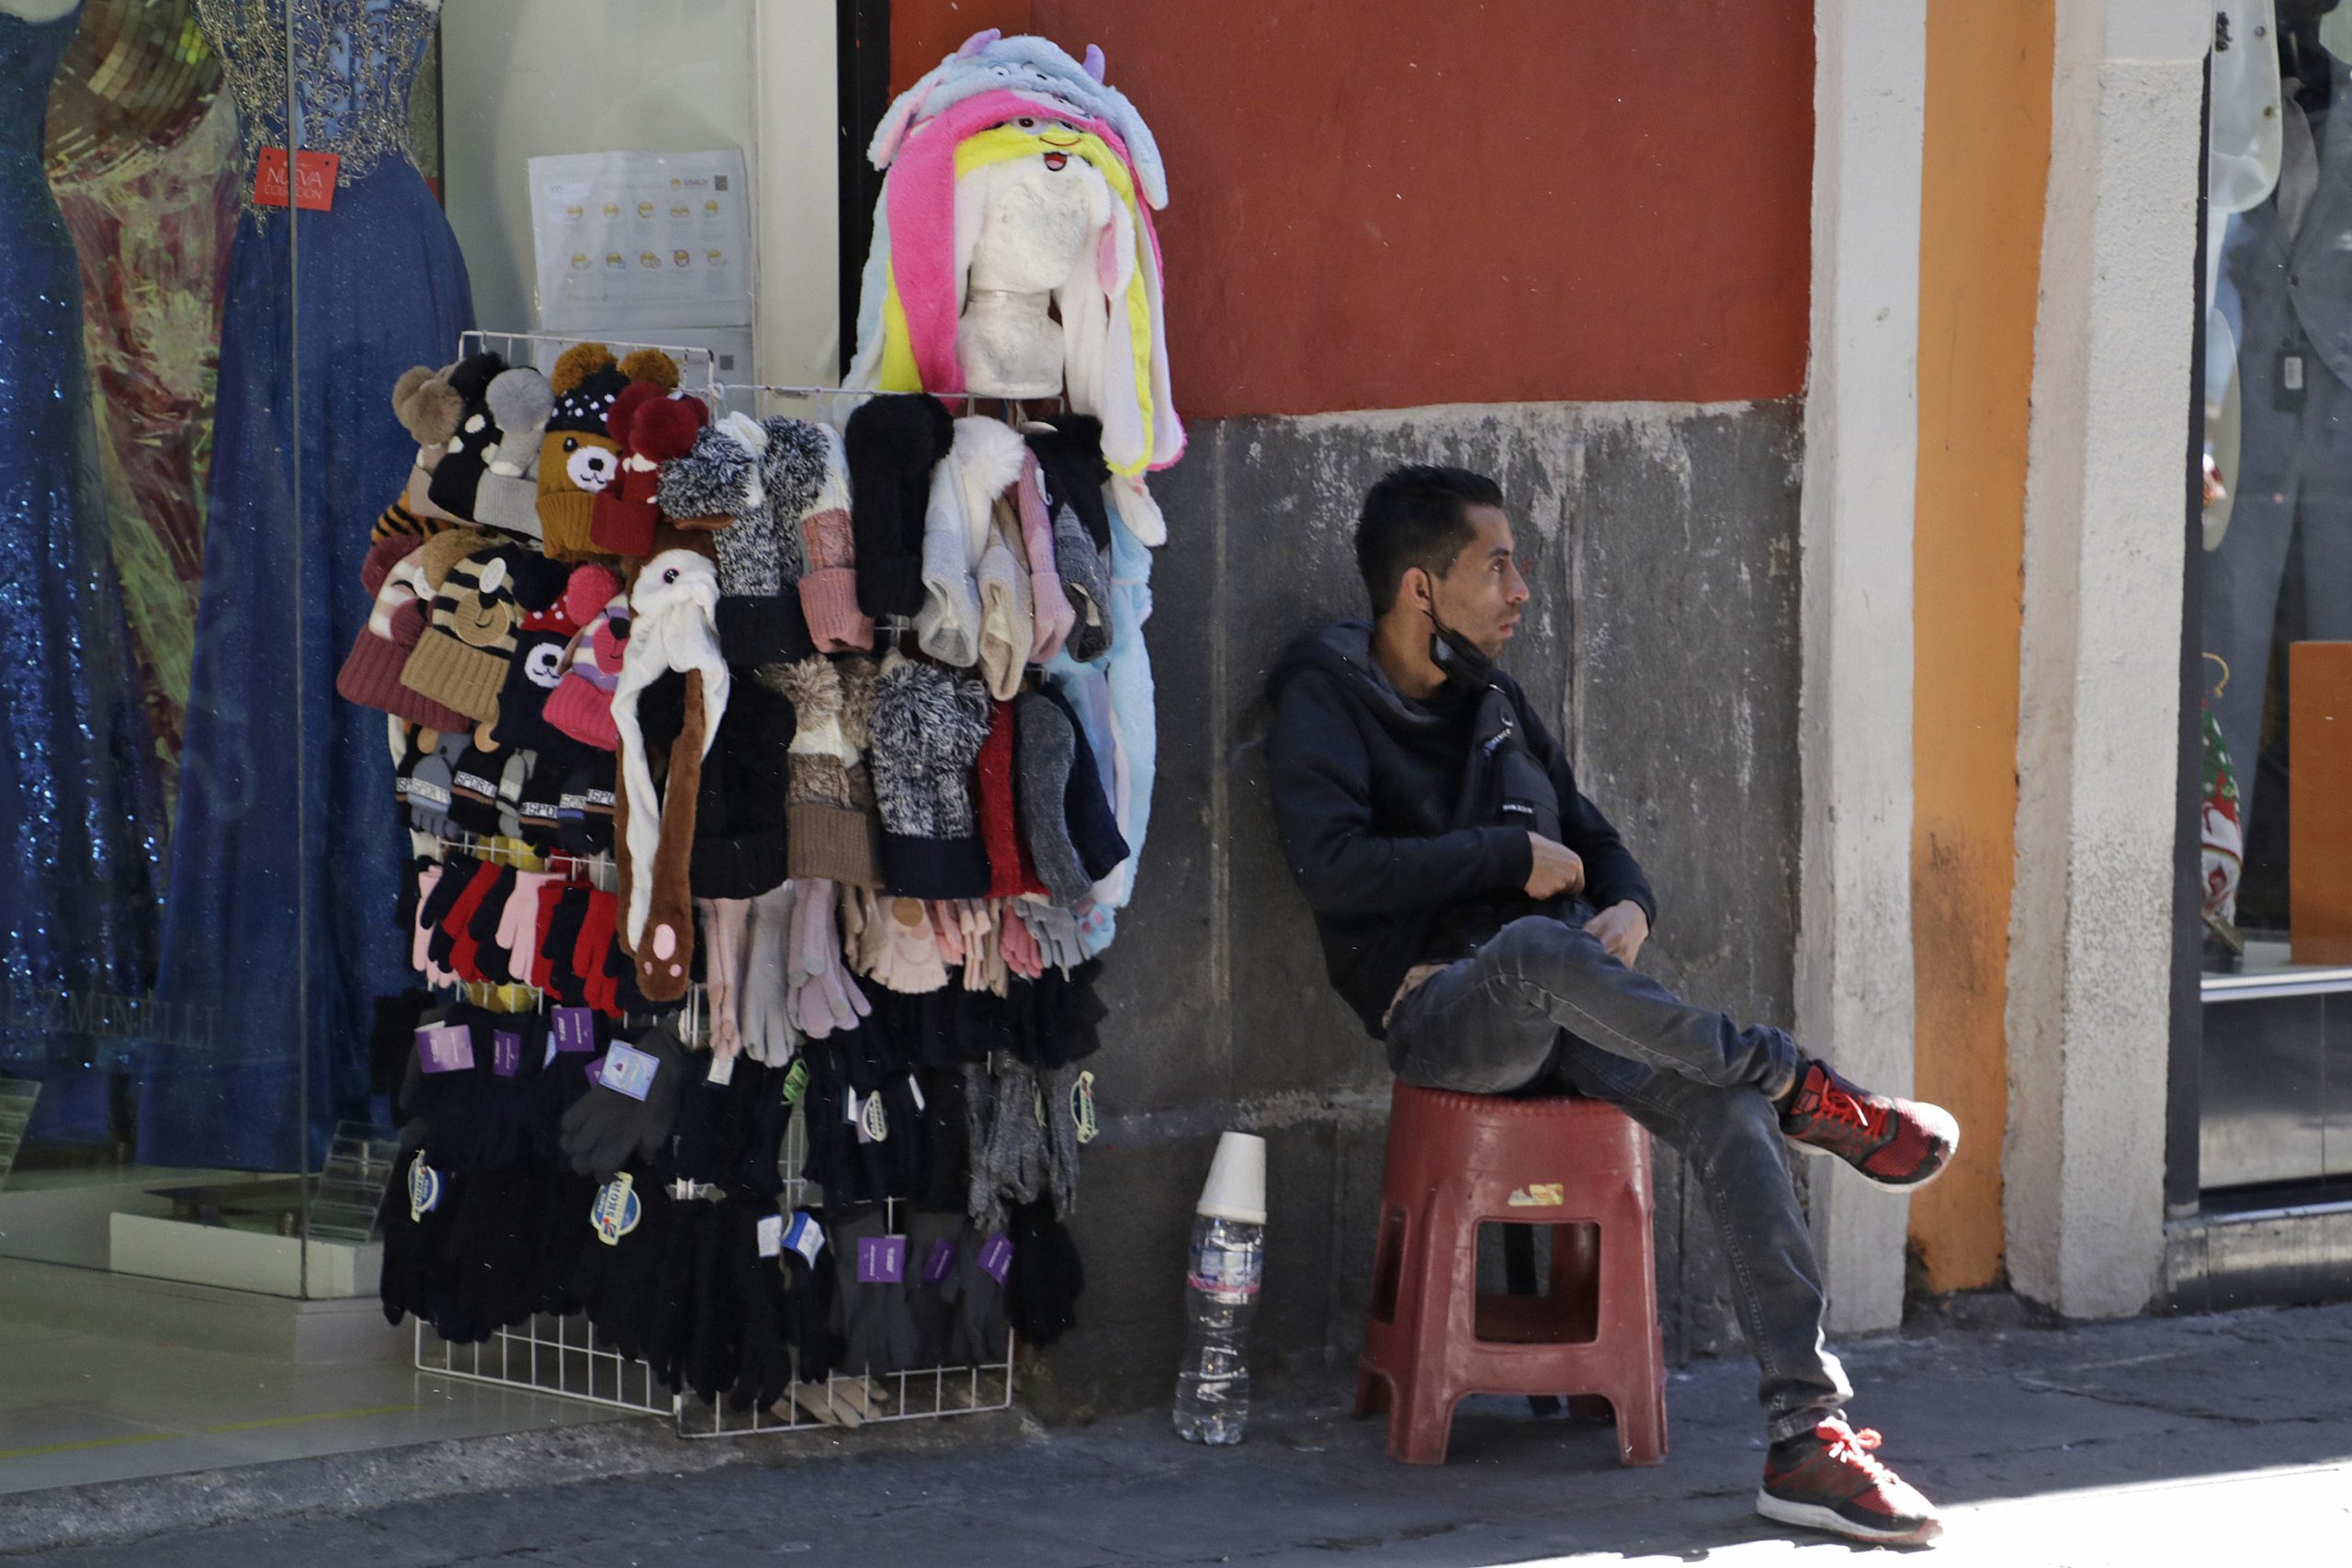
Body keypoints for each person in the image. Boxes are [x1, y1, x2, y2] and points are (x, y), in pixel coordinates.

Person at [1266, 465, 1958, 1548]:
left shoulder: (1494, 699)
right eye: (1495, 565)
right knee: (1545, 950)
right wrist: (1506, 857)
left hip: (1578, 1010)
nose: (1519, 589)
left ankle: (1806, 1439)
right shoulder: (1324, 694)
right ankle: (1792, 1076)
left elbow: (1600, 841)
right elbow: (1333, 868)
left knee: (1726, 1114)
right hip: (1445, 1019)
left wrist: (1628, 906)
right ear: (1418, 589)